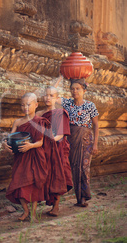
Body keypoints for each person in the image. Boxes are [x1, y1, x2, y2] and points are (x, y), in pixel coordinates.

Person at [3, 93, 48, 221]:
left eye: (28, 104)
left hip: (34, 156)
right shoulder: (17, 122)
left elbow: (40, 142)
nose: (25, 107)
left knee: (33, 185)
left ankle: (33, 214)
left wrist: (30, 146)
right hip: (20, 157)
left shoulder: (39, 121)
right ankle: (25, 211)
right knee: (18, 182)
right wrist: (4, 144)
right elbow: (9, 138)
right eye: (22, 105)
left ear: (36, 105)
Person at [60, 78, 99, 207]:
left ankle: (85, 196)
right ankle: (79, 198)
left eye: (77, 89)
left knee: (84, 168)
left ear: (84, 90)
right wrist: (60, 78)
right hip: (72, 139)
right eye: (72, 89)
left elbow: (96, 125)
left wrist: (95, 144)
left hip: (86, 140)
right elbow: (51, 95)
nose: (74, 91)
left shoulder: (90, 105)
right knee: (75, 167)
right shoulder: (67, 103)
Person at [36, 86, 72, 216]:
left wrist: (50, 141)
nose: (48, 98)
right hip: (44, 148)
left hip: (58, 147)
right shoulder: (40, 114)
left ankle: (56, 206)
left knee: (57, 174)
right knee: (46, 174)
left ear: (57, 98)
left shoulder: (60, 113)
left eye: (51, 95)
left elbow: (61, 134)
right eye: (46, 95)